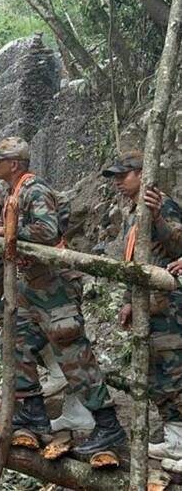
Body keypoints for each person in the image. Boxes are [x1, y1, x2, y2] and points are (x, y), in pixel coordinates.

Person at [0, 137, 124, 453]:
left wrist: (1, 231)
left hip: (55, 287)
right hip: (32, 286)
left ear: (14, 164)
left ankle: (108, 425)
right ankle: (34, 414)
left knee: (72, 353)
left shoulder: (34, 189)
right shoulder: (15, 192)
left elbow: (45, 232)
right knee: (17, 344)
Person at [0, 177, 96, 431]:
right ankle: (43, 410)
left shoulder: (21, 200)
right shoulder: (7, 210)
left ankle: (98, 418)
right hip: (38, 285)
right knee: (28, 340)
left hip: (54, 283)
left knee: (66, 344)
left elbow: (23, 236)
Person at [102, 150, 182, 460]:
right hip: (148, 305)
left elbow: (177, 245)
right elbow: (134, 260)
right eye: (116, 177)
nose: (119, 182)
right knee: (156, 373)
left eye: (124, 175)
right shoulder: (134, 213)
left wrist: (159, 216)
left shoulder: (164, 206)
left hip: (171, 307)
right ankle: (174, 436)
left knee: (174, 372)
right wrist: (127, 301)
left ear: (143, 175)